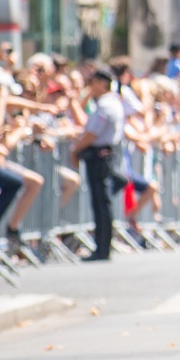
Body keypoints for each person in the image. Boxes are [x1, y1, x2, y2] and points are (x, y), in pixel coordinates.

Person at [69, 68, 126, 262]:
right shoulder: (107, 103)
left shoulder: (106, 105)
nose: (90, 87)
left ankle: (102, 248)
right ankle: (102, 247)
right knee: (100, 202)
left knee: (101, 202)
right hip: (102, 155)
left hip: (100, 156)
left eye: (93, 83)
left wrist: (75, 150)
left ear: (103, 84)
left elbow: (93, 133)